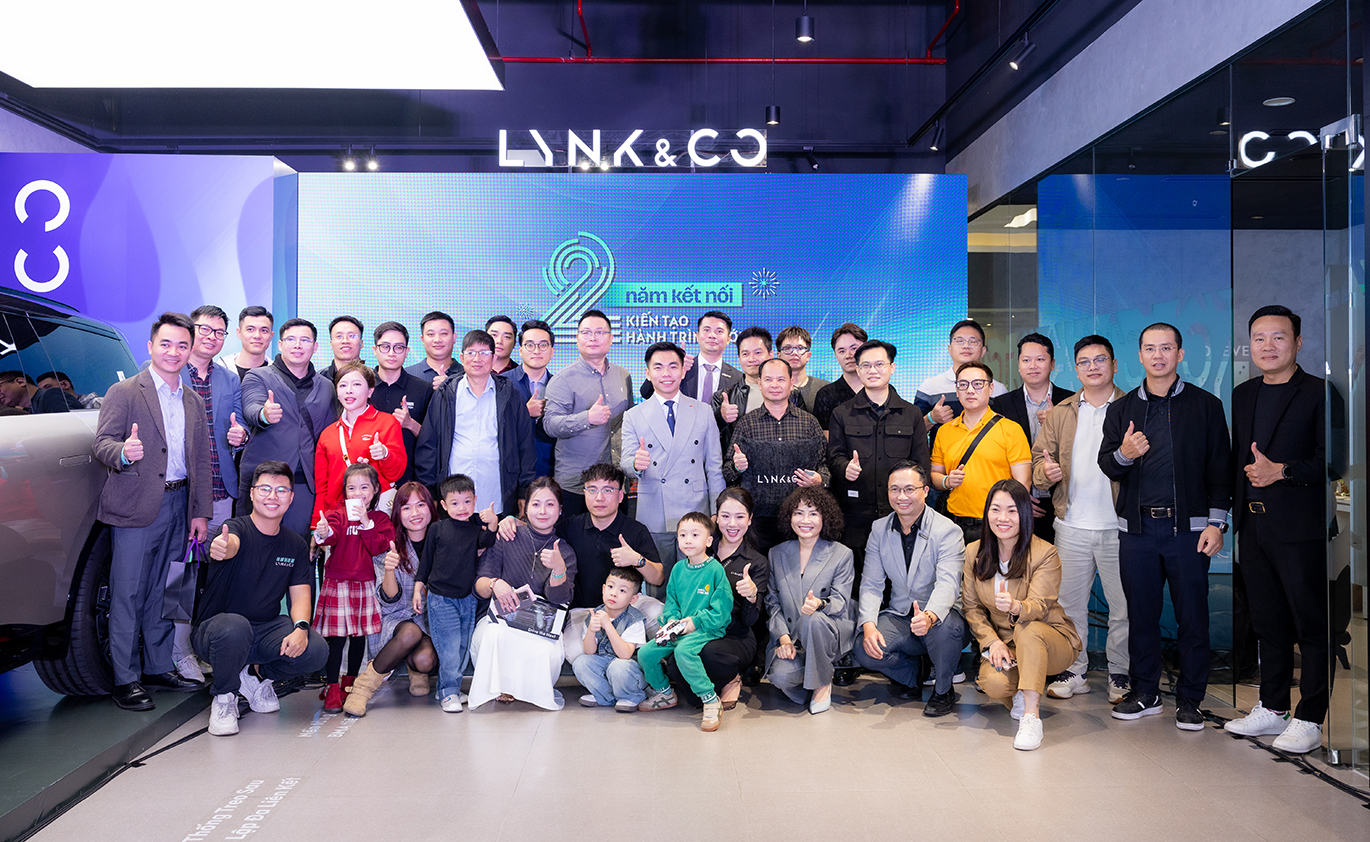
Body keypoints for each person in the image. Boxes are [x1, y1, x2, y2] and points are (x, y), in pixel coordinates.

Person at [1100, 322, 1233, 731]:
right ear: (1139, 355)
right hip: (1137, 530)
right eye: (1150, 349)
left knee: (1193, 616)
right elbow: (1108, 464)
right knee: (1141, 615)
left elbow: (1220, 470)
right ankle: (1145, 692)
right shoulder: (1122, 409)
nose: (1158, 355)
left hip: (1188, 530)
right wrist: (1125, 453)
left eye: (1166, 348)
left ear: (1180, 354)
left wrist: (1217, 524)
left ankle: (1191, 699)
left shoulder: (1205, 406)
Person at [1223, 306, 1331, 754]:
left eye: (1278, 337)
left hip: (1299, 529)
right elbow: (1237, 461)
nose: (1267, 346)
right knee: (1267, 622)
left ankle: (1310, 718)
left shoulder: (1320, 392)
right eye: (1259, 338)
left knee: (1311, 624)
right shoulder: (1244, 393)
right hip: (1253, 525)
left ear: (1298, 343)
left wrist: (1281, 471)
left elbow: (1332, 460)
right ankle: (1273, 707)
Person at [93, 312, 211, 710]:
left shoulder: (193, 400)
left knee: (171, 590)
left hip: (181, 505)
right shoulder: (125, 392)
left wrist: (200, 512)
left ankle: (159, 666)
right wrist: (124, 453)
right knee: (128, 592)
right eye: (166, 344)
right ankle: (125, 678)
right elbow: (102, 444)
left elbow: (201, 460)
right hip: (136, 508)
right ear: (150, 346)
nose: (173, 352)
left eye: (182, 345)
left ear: (190, 350)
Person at [195, 461, 329, 736]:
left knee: (316, 649)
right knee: (235, 627)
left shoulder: (295, 544)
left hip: (264, 630)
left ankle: (255, 676)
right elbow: (229, 544)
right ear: (252, 493)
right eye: (265, 489)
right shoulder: (236, 528)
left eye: (281, 490)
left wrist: (301, 628)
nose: (272, 496)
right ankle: (224, 696)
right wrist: (221, 548)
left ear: (291, 497)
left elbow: (301, 593)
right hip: (218, 632)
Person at [1033, 335, 1130, 703]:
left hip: (1119, 527)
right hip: (1070, 523)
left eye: (1100, 360)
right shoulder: (1061, 412)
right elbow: (1038, 461)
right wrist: (1046, 474)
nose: (1093, 367)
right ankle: (1074, 670)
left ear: (1114, 365)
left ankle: (1120, 673)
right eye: (1085, 362)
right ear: (1075, 369)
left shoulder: (1132, 407)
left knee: (1123, 607)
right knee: (1069, 606)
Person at [961, 479, 1082, 751]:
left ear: (1025, 514)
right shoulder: (973, 552)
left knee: (1030, 630)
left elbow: (1039, 606)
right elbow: (972, 608)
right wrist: (992, 642)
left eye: (1012, 511)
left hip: (1051, 640)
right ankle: (1020, 692)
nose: (1002, 518)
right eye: (995, 509)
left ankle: (1031, 717)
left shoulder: (1045, 553)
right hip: (1007, 644)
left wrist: (1016, 606)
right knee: (992, 683)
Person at [171, 305, 248, 683]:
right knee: (181, 574)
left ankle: (204, 646)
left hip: (220, 491)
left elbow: (239, 424)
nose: (212, 337)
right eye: (205, 329)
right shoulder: (168, 370)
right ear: (191, 330)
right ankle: (177, 652)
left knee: (214, 576)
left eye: (219, 332)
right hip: (179, 492)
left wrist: (240, 435)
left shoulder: (229, 378)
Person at [854, 462, 967, 716]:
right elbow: (871, 583)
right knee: (864, 648)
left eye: (909, 489)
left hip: (940, 617)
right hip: (901, 615)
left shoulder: (947, 530)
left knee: (944, 629)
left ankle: (943, 690)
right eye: (894, 489)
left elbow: (948, 584)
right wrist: (869, 625)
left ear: (925, 491)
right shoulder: (879, 529)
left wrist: (929, 616)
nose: (901, 496)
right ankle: (914, 674)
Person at [469, 477, 578, 709]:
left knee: (546, 649)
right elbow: (479, 586)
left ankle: (524, 688)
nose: (542, 511)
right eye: (536, 504)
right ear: (525, 508)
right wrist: (495, 584)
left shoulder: (565, 551)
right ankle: (503, 686)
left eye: (550, 504)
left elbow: (560, 599)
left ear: (560, 510)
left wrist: (559, 569)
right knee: (493, 635)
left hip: (540, 626)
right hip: (502, 619)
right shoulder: (507, 536)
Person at [828, 340, 931, 575]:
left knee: (899, 578)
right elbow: (834, 457)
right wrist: (845, 468)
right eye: (865, 365)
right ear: (858, 369)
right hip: (855, 515)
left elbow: (921, 464)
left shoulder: (911, 414)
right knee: (857, 580)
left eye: (879, 364)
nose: (872, 370)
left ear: (892, 367)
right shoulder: (842, 413)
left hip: (900, 513)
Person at [620, 341, 725, 568]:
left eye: (673, 366)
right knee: (658, 581)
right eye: (658, 367)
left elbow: (714, 467)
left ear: (683, 371)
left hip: (695, 511)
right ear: (647, 373)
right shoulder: (634, 415)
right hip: (655, 512)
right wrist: (636, 464)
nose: (666, 373)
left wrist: (717, 510)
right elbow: (625, 463)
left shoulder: (703, 411)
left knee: (695, 581)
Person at [663, 487, 770, 710]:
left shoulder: (757, 561)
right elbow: (677, 597)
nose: (732, 524)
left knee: (710, 653)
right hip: (697, 632)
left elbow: (750, 620)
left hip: (735, 636)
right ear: (716, 518)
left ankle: (732, 679)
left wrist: (752, 596)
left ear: (750, 519)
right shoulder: (700, 548)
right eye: (725, 516)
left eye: (740, 517)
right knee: (674, 662)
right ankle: (707, 693)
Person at [343, 481, 440, 716]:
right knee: (410, 632)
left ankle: (414, 668)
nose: (415, 513)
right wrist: (389, 569)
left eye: (421, 505)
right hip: (395, 618)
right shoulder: (388, 542)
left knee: (425, 660)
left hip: (430, 620)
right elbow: (388, 599)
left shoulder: (443, 540)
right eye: (406, 507)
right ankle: (362, 688)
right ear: (397, 512)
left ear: (432, 507)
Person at [415, 330, 535, 517]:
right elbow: (428, 445)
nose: (477, 359)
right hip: (453, 499)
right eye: (471, 353)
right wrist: (429, 491)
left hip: (497, 494)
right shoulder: (445, 394)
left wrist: (523, 491)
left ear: (494, 358)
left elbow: (525, 445)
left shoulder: (510, 395)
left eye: (484, 353)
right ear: (462, 358)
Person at [636, 512, 734, 732]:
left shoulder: (715, 570)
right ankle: (665, 693)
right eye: (683, 535)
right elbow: (671, 601)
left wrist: (695, 622)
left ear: (709, 540)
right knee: (646, 653)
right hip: (678, 629)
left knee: (683, 652)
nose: (688, 540)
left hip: (707, 628)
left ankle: (710, 699)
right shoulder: (678, 569)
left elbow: (722, 610)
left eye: (695, 535)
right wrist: (672, 621)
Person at [311, 462, 395, 712]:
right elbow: (330, 535)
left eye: (364, 487)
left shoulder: (380, 519)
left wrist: (366, 522)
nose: (358, 493)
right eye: (351, 488)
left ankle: (349, 683)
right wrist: (322, 532)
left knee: (359, 638)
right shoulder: (337, 515)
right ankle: (332, 687)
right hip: (337, 583)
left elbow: (379, 546)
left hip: (364, 584)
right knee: (336, 640)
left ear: (376, 489)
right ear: (345, 492)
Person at [239, 318, 335, 536]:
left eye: (305, 340)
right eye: (291, 339)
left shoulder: (327, 386)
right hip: (264, 481)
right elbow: (251, 407)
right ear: (280, 345)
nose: (298, 345)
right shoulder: (258, 376)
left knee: (300, 547)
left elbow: (329, 435)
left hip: (306, 484)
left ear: (315, 347)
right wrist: (264, 414)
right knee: (256, 544)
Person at [412, 474, 499, 712]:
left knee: (461, 648)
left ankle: (448, 688)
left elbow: (488, 540)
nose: (462, 508)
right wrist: (418, 588)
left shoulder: (475, 529)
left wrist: (493, 522)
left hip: (467, 598)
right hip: (441, 598)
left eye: (467, 502)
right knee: (449, 648)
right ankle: (449, 692)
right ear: (443, 504)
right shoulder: (437, 529)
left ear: (475, 501)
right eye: (455, 503)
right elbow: (426, 562)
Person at [764, 487, 855, 714]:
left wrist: (819, 605)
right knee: (780, 676)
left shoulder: (841, 554)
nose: (805, 520)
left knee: (813, 619)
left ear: (825, 518)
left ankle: (822, 686)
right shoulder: (776, 553)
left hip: (827, 633)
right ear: (790, 517)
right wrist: (784, 640)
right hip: (793, 639)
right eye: (798, 513)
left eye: (813, 513)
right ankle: (820, 674)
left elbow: (840, 601)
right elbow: (772, 603)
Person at [724, 358, 829, 552]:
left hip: (800, 518)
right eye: (768, 379)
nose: (774, 385)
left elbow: (825, 465)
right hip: (758, 521)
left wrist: (820, 479)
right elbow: (727, 471)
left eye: (781, 379)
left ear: (791, 383)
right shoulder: (746, 424)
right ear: (759, 383)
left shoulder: (809, 423)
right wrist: (737, 467)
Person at [543, 310, 634, 517]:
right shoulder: (562, 379)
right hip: (576, 484)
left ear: (611, 338)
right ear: (577, 338)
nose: (593, 338)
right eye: (586, 332)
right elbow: (550, 425)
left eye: (600, 332)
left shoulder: (623, 375)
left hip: (614, 481)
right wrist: (587, 418)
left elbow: (629, 422)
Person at [930, 361, 1032, 544]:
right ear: (957, 390)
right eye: (963, 384)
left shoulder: (1010, 430)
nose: (970, 390)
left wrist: (1006, 520)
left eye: (978, 384)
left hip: (995, 526)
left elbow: (1023, 484)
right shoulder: (944, 431)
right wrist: (947, 481)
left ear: (990, 388)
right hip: (953, 525)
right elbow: (935, 475)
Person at [991, 333, 1074, 542]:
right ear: (1019, 365)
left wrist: (1057, 423)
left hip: (1063, 501)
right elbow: (998, 455)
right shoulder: (1002, 404)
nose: (1033, 366)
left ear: (1052, 364)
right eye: (1026, 360)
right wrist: (1018, 496)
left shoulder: (1071, 401)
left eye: (1040, 359)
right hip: (1016, 503)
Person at [312, 361, 406, 522]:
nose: (349, 390)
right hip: (338, 519)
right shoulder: (327, 434)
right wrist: (317, 522)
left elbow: (396, 473)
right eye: (343, 385)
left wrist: (385, 455)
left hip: (376, 515)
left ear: (370, 391)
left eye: (356, 384)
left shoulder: (387, 423)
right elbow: (322, 487)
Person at [573, 566, 649, 711]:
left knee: (618, 667)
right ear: (603, 589)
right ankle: (605, 696)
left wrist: (608, 625)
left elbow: (625, 654)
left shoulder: (634, 619)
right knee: (581, 662)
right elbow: (589, 651)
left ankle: (631, 697)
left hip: (628, 668)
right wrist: (591, 630)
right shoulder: (595, 614)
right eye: (610, 587)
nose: (613, 593)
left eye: (622, 591)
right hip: (605, 661)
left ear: (633, 599)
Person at [915, 319, 1008, 436]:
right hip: (943, 448)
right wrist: (932, 418)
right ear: (949, 349)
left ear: (983, 350)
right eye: (959, 341)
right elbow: (912, 432)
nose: (966, 346)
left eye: (973, 341)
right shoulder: (930, 387)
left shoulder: (998, 389)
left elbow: (1006, 430)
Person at [369, 321, 432, 485]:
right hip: (367, 482)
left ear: (407, 352)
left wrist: (410, 424)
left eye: (398, 347)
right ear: (374, 350)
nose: (391, 353)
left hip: (408, 482)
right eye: (385, 347)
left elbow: (433, 441)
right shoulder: (362, 387)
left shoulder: (423, 389)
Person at [639, 310, 741, 401]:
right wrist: (676, 367)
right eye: (706, 330)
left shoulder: (738, 378)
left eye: (719, 331)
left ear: (728, 339)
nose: (712, 335)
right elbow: (646, 393)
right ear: (697, 336)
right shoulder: (683, 367)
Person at [502, 319, 557, 483]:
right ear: (520, 350)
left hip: (549, 473)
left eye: (543, 345)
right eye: (530, 345)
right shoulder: (502, 383)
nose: (536, 351)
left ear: (552, 351)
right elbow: (489, 425)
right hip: (509, 474)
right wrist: (524, 413)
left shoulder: (560, 385)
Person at [711, 326, 782, 447]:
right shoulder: (723, 397)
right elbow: (708, 438)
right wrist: (721, 418)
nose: (751, 359)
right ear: (739, 359)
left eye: (758, 353)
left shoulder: (791, 393)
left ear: (771, 355)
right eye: (745, 354)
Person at [811, 323, 867, 433]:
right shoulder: (826, 395)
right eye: (842, 351)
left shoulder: (882, 389)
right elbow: (824, 436)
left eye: (854, 348)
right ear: (836, 356)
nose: (848, 355)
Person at [777, 326, 830, 411]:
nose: (794, 353)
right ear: (779, 355)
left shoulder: (824, 387)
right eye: (788, 348)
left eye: (800, 348)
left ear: (808, 356)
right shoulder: (771, 388)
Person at [406, 311, 463, 390]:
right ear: (422, 339)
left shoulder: (468, 376)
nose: (437, 340)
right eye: (431, 334)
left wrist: (453, 388)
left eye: (443, 333)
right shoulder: (406, 375)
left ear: (454, 337)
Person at [221, 305, 273, 380]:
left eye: (264, 330)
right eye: (250, 329)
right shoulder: (220, 370)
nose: (257, 336)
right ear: (239, 333)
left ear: (271, 336)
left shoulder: (278, 375)